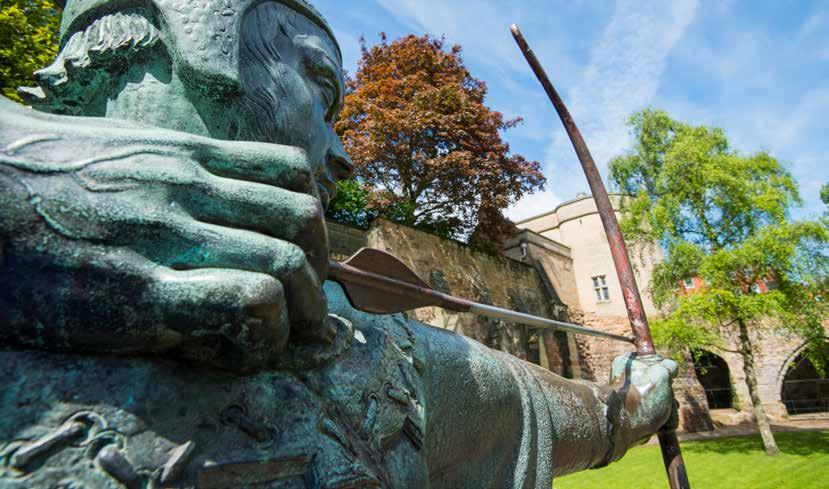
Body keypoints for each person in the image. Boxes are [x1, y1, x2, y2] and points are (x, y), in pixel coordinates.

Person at [0, 1, 678, 487]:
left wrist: (620, 412)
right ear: (200, 32)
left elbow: (512, 397)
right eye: (321, 94)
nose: (344, 154)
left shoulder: (360, 348)